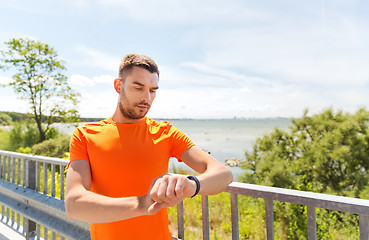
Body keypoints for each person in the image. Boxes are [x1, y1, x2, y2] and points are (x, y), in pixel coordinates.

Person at [65, 54, 233, 240]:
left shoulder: (165, 132)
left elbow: (223, 174)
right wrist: (142, 204)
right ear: (118, 86)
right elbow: (74, 205)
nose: (147, 98)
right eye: (139, 88)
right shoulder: (85, 135)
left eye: (153, 90)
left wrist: (190, 184)